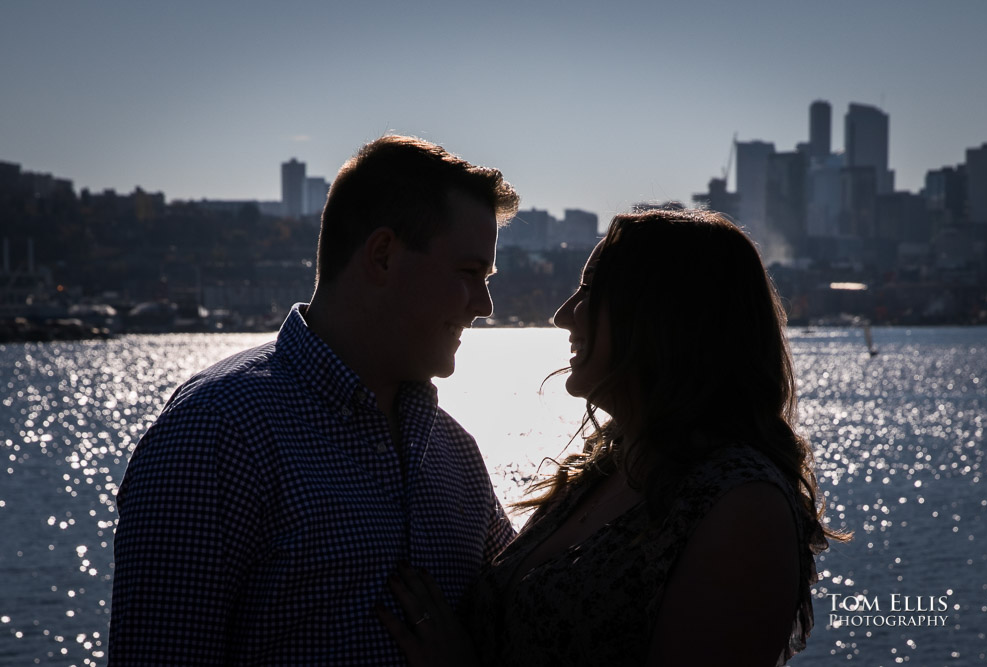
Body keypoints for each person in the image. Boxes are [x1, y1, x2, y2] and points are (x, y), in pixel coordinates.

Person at [110, 135, 520, 665]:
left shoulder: (454, 453)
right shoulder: (214, 435)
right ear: (383, 255)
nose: (485, 306)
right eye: (469, 274)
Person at [380, 208, 848, 666]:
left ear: (666, 316)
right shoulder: (608, 465)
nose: (563, 316)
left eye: (590, 291)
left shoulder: (743, 504)